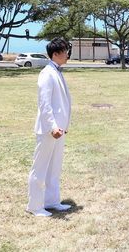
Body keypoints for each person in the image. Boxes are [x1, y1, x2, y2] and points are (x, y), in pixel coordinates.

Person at [27, 37, 73, 216]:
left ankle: (52, 201)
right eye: (65, 51)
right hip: (49, 129)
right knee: (40, 168)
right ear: (56, 54)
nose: (67, 54)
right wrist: (52, 126)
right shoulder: (47, 73)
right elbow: (44, 104)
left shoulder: (57, 72)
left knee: (54, 168)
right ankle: (35, 206)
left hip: (59, 129)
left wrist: (63, 125)